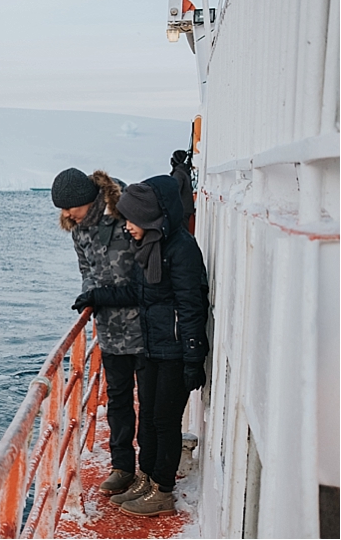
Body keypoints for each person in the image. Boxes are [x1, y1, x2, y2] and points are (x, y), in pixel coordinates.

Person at [72, 175, 209, 517]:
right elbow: (136, 294)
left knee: (164, 419)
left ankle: (162, 490)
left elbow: (193, 305)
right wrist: (95, 296)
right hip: (153, 345)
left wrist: (194, 357)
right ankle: (147, 479)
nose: (127, 226)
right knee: (149, 416)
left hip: (174, 350)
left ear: (149, 218)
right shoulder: (149, 249)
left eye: (131, 220)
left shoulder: (180, 249)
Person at [50, 167, 146, 497]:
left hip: (147, 326)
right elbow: (87, 272)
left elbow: (148, 271)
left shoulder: (125, 214)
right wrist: (90, 297)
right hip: (110, 330)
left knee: (148, 403)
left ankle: (148, 473)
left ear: (86, 200)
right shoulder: (79, 232)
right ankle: (122, 468)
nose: (65, 215)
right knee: (118, 401)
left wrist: (99, 295)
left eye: (69, 207)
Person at [170, 150, 194, 230]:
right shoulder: (185, 172)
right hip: (187, 209)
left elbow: (175, 191)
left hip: (182, 210)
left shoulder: (178, 173)